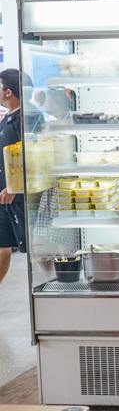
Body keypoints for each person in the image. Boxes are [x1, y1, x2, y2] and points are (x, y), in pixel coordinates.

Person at [0, 68, 26, 287]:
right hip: (3, 195)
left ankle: (51, 286)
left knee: (35, 248)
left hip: (16, 196)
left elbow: (30, 157)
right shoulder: (7, 117)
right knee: (2, 245)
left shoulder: (24, 119)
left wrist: (14, 186)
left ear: (8, 91)